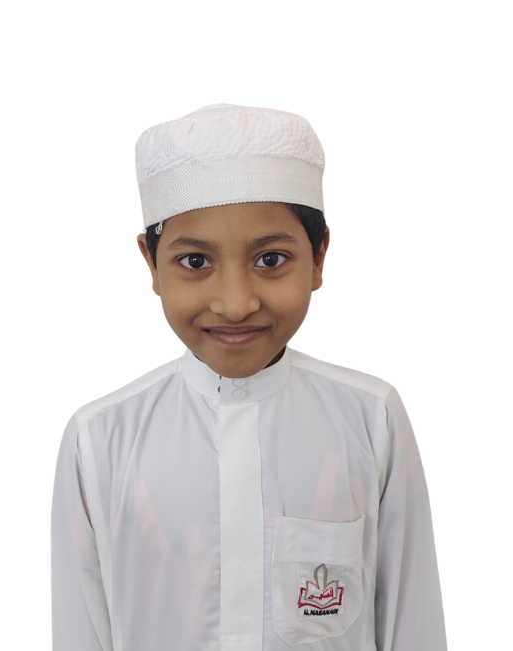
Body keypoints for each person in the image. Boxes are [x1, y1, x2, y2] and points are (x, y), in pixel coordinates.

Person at [51, 103, 448, 651]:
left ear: (318, 257)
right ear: (152, 264)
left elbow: (413, 625)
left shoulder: (371, 419)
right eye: (196, 262)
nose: (236, 304)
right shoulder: (99, 440)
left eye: (270, 259)